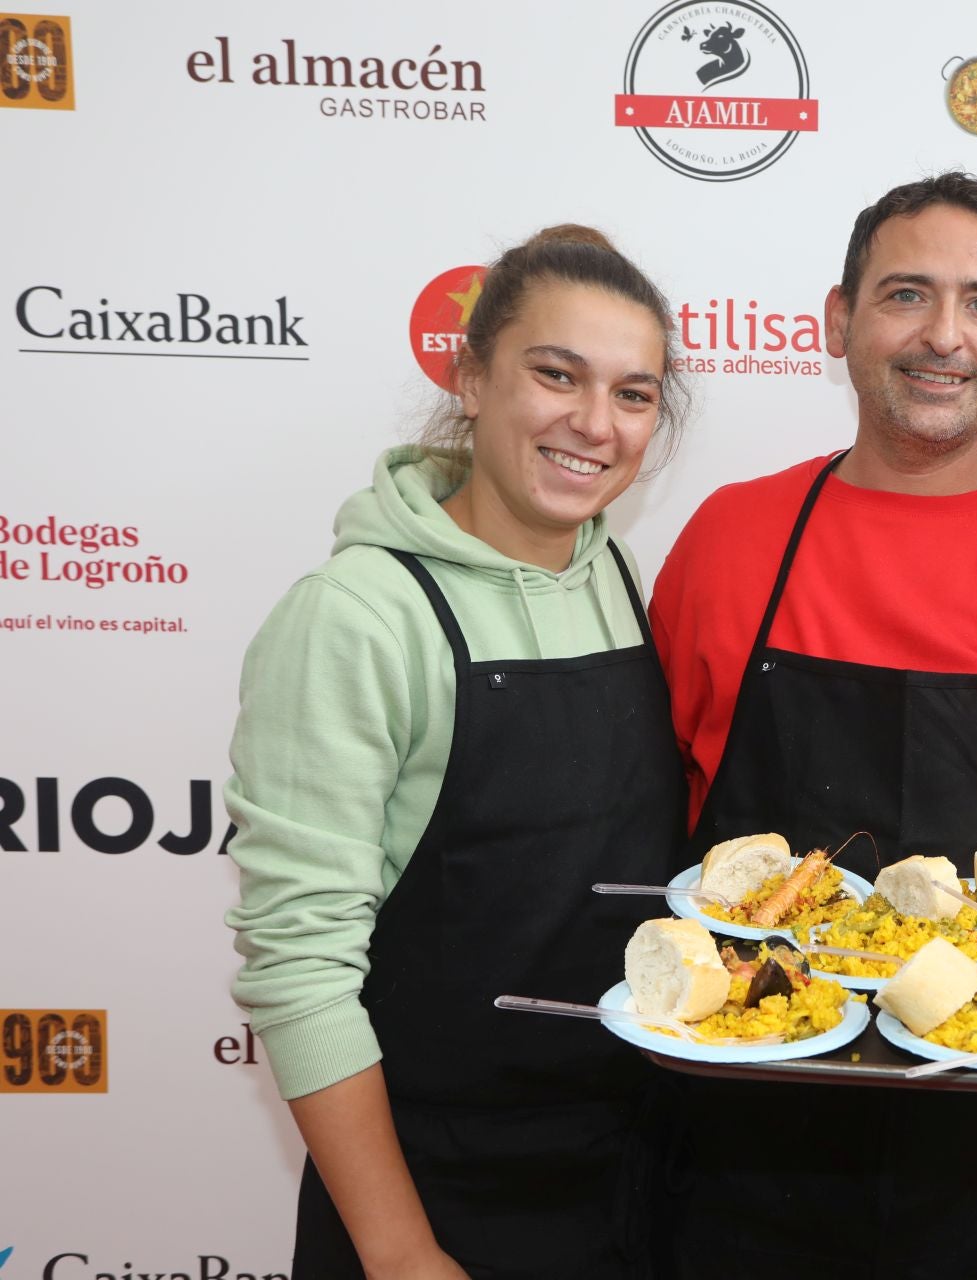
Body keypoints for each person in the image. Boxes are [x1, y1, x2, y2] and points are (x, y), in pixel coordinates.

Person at [647, 172, 977, 1277]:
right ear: (839, 320)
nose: (944, 335)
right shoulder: (729, 541)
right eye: (906, 295)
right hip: (735, 1098)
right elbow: (659, 803)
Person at [225, 225, 689, 1278]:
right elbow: (300, 967)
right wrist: (399, 1249)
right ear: (471, 377)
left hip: (622, 1177)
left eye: (632, 394)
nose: (595, 423)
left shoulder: (618, 579)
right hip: (436, 1197)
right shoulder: (354, 615)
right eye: (556, 374)